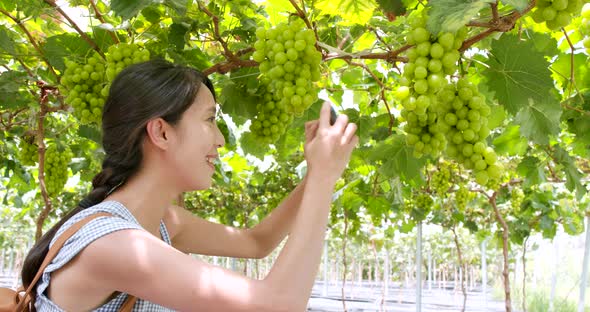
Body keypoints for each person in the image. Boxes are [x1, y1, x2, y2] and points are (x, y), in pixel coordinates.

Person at [20, 59, 358, 311]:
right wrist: (324, 181)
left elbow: (258, 242)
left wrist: (316, 172)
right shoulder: (114, 245)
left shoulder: (164, 223)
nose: (221, 139)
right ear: (162, 132)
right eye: (210, 120)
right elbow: (276, 305)